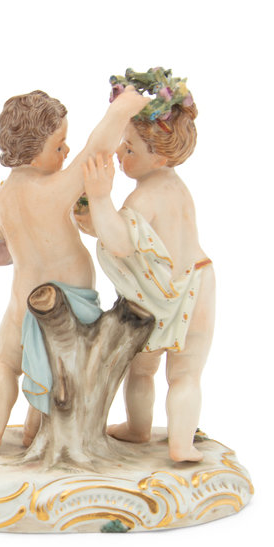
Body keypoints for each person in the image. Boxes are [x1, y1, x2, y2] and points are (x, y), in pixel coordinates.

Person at [0, 86, 148, 449]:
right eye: (59, 146)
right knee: (60, 366)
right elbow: (96, 150)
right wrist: (122, 109)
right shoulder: (55, 189)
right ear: (32, 152)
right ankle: (35, 429)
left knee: (5, 361)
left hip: (24, 298)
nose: (67, 151)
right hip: (72, 299)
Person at [81, 69, 212, 462]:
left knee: (143, 369)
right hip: (200, 280)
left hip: (163, 293)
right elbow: (134, 237)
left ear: (159, 156)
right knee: (185, 374)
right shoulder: (177, 187)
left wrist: (100, 198)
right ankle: (179, 443)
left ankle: (142, 429)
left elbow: (121, 243)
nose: (120, 155)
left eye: (130, 149)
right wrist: (94, 217)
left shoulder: (144, 198)